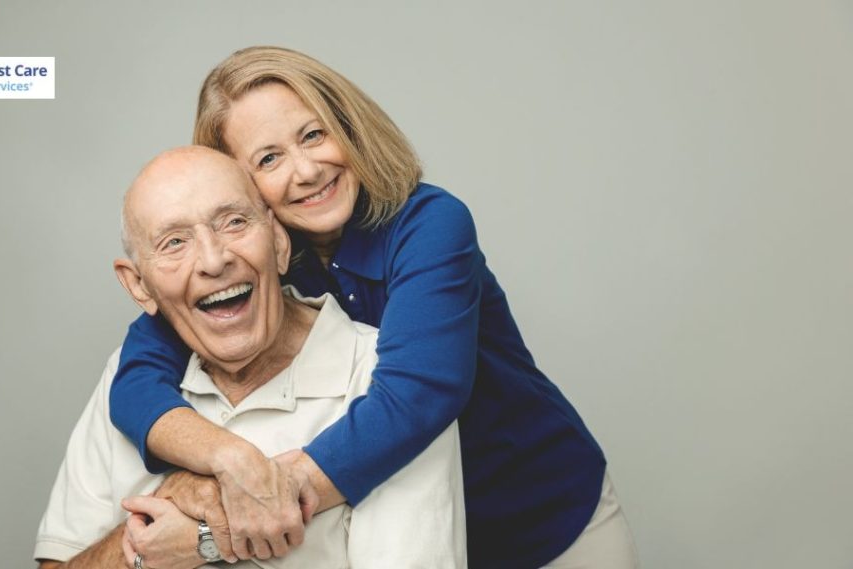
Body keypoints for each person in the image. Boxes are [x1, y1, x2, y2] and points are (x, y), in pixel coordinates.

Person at [112, 47, 637, 568]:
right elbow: (136, 379)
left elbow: (416, 396)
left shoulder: (431, 224)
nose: (307, 170)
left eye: (313, 135)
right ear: (240, 185)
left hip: (549, 519)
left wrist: (233, 517)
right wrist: (231, 461)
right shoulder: (253, 258)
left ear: (350, 127)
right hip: (420, 540)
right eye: (269, 159)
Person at [34, 147, 466, 568]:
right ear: (139, 286)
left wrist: (207, 537)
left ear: (279, 243)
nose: (213, 260)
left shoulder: (381, 384)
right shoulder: (127, 377)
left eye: (234, 222)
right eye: (174, 242)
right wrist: (161, 510)